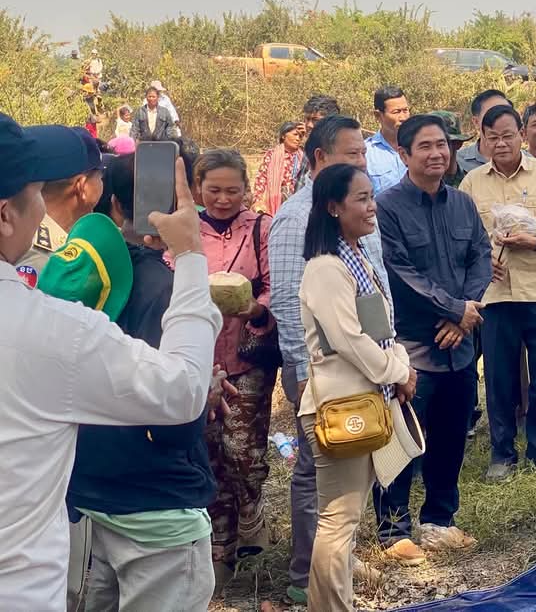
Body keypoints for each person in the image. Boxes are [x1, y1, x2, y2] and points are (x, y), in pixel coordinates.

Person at [0, 113, 221, 611]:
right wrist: (190, 256)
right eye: (37, 194)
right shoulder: (52, 329)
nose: (44, 209)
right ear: (5, 215)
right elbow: (183, 391)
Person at [50, 181, 225, 612]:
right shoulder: (166, 289)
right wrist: (201, 392)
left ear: (110, 201)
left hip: (89, 499)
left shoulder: (62, 281)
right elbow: (176, 423)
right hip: (157, 508)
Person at [269, 115, 380, 603]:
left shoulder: (356, 213)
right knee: (321, 486)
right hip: (328, 376)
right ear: (320, 158)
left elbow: (374, 294)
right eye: (352, 154)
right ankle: (308, 577)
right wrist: (301, 375)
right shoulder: (297, 221)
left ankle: (332, 575)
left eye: (363, 153)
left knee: (344, 496)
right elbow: (292, 304)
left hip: (364, 374)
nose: (362, 161)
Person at [298, 164, 417, 611]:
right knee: (338, 521)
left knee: (345, 520)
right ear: (334, 208)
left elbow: (381, 331)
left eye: (372, 197)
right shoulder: (326, 269)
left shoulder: (357, 259)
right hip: (341, 407)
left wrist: (399, 364)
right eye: (361, 199)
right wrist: (397, 371)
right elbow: (349, 340)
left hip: (364, 400)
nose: (372, 207)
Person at [374, 115, 492, 558]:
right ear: (403, 154)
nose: (437, 153)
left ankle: (439, 520)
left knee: (450, 435)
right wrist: (454, 309)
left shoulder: (462, 203)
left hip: (459, 345)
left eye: (442, 144)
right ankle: (393, 531)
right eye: (425, 146)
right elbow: (398, 272)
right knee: (402, 440)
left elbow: (481, 257)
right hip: (412, 345)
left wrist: (464, 313)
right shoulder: (387, 208)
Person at [460, 105, 536, 481]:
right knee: (500, 379)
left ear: (521, 134)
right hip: (496, 295)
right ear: (483, 140)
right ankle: (502, 453)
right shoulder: (472, 183)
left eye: (507, 135)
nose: (501, 143)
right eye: (493, 137)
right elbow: (463, 237)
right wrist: (483, 258)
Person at [193, 150, 278, 591]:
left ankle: (252, 510)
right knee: (210, 451)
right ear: (198, 189)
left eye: (232, 190)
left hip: (247, 356)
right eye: (214, 190)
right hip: (200, 359)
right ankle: (220, 546)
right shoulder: (187, 231)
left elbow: (275, 284)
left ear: (246, 188)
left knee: (242, 451)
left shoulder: (261, 227)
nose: (223, 199)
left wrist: (257, 309)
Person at [14, 127, 103, 287]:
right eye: (100, 176)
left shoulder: (15, 238)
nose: (102, 183)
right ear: (82, 186)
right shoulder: (43, 261)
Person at [252, 121, 305, 216]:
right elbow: (261, 178)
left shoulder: (303, 157)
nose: (298, 139)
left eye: (300, 136)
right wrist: (258, 200)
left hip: (297, 201)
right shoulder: (272, 155)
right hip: (277, 199)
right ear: (283, 136)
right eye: (295, 135)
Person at [366, 86, 412, 195]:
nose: (403, 118)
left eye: (405, 110)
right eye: (396, 112)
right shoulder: (366, 154)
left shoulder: (419, 148)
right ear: (378, 115)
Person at [293, 94, 341, 193]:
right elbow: (301, 184)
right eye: (307, 119)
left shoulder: (341, 152)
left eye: (315, 120)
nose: (309, 125)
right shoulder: (310, 148)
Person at [457, 89, 513, 174]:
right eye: (492, 114)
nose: (501, 119)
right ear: (476, 122)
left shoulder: (528, 163)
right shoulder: (458, 162)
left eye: (507, 113)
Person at [429, 111, 474, 188]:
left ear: (457, 144)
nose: (434, 154)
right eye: (426, 146)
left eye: (441, 144)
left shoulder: (471, 182)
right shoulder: (418, 183)